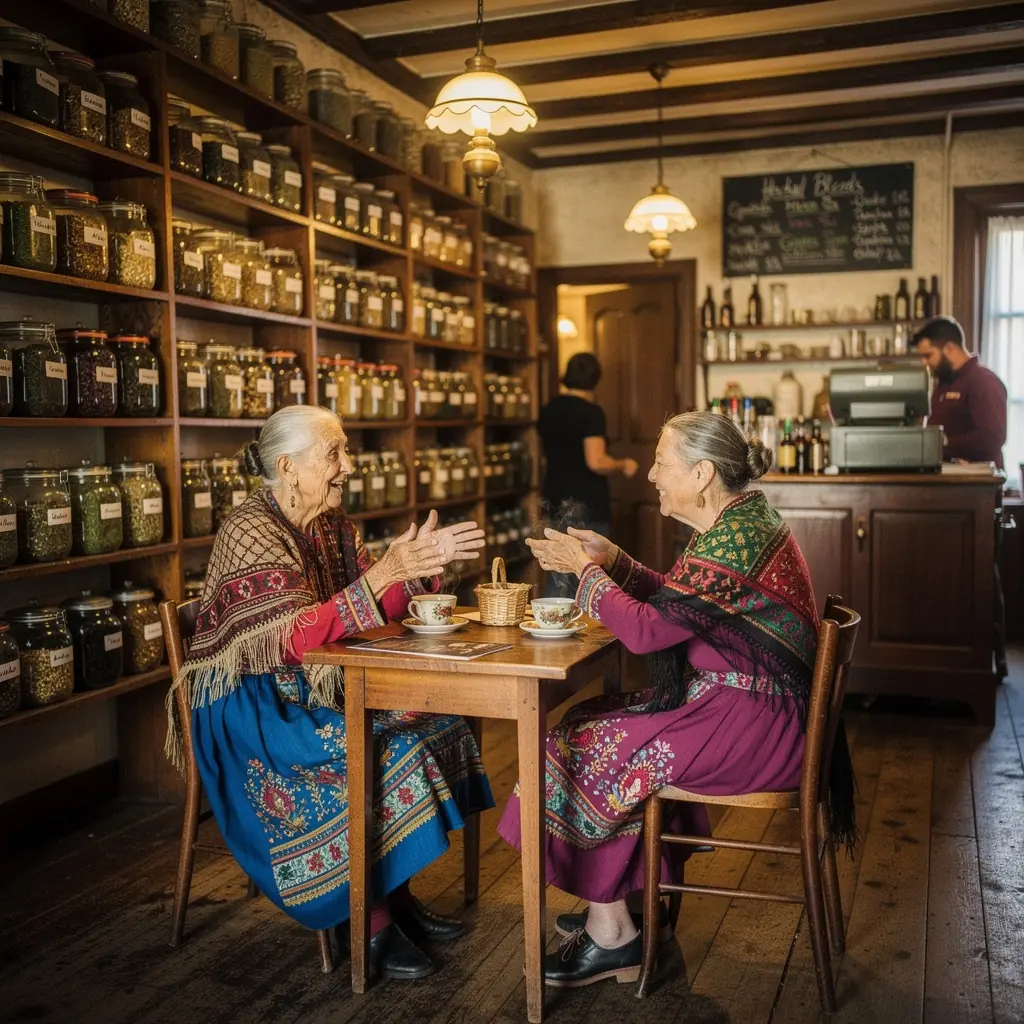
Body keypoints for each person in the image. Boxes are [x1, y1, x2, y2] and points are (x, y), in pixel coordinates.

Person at [498, 411, 855, 987]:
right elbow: (679, 606)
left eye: (663, 462)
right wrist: (613, 561)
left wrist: (586, 576)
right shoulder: (740, 526)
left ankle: (612, 934)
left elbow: (644, 631)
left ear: (703, 474)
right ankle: (623, 902)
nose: (651, 474)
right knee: (586, 723)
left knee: (582, 744)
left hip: (757, 729)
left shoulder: (734, 542)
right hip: (748, 709)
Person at [165, 406, 493, 982]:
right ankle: (371, 922)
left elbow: (370, 606)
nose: (348, 466)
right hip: (252, 705)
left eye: (345, 451)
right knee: (382, 752)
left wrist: (414, 570)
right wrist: (383, 574)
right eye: (334, 453)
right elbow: (291, 639)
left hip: (311, 687)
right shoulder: (249, 529)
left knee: (436, 726)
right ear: (288, 467)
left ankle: (391, 894)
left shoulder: (331, 524)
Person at [538, 352, 638, 596]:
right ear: (595, 378)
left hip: (554, 497)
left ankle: (550, 625)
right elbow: (596, 461)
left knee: (558, 570)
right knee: (587, 574)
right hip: (585, 503)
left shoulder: (549, 409)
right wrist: (623, 464)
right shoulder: (590, 412)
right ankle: (587, 630)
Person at [913, 315, 1007, 467]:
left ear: (949, 348)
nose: (924, 363)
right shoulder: (944, 383)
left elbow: (993, 436)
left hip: (976, 484)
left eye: (928, 355)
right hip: (950, 479)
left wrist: (941, 443)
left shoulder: (983, 381)